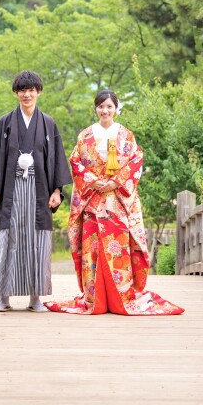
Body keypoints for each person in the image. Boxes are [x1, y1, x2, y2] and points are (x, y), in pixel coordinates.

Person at [45, 90, 183, 315]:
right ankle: (94, 297)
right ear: (95, 109)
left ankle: (121, 296)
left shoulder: (126, 136)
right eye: (101, 106)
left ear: (117, 109)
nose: (105, 110)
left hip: (117, 201)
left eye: (109, 106)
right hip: (92, 198)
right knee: (93, 247)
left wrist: (115, 182)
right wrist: (93, 181)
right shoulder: (85, 135)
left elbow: (136, 161)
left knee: (118, 247)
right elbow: (75, 162)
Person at [0, 70, 72, 312]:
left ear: (38, 92)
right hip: (11, 190)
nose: (27, 94)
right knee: (8, 241)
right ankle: (3, 297)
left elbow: (57, 159)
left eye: (31, 90)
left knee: (37, 242)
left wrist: (57, 190)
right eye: (22, 90)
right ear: (16, 93)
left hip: (39, 192)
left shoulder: (48, 124)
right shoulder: (5, 123)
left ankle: (35, 297)